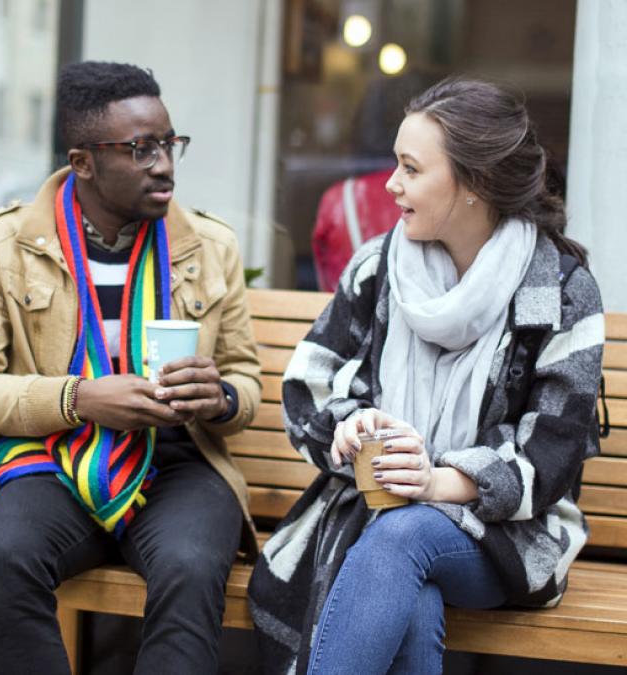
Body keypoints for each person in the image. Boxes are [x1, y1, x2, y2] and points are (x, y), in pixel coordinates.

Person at [248, 77, 605, 674]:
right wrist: (349, 425)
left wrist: (438, 481)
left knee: (404, 534)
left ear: (474, 184)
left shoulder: (562, 293)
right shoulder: (378, 266)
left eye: (410, 169)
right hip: (372, 511)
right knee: (411, 588)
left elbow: (552, 458)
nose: (391, 184)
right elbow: (309, 385)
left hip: (509, 533)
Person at [0, 61, 262, 675]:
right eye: (141, 149)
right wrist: (78, 398)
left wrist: (219, 398)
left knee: (190, 567)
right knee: (3, 556)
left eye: (169, 144)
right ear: (83, 162)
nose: (164, 164)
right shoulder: (3, 245)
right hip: (55, 456)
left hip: (177, 463)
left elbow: (245, 380)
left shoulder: (209, 247)